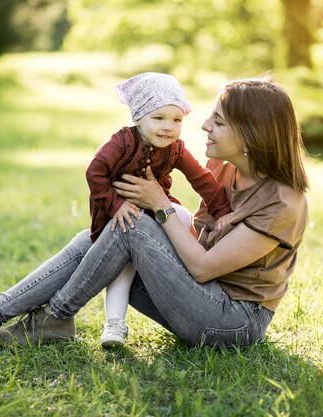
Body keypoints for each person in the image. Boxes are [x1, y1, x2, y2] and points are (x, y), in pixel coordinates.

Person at [0, 74, 309, 350]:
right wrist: (154, 214)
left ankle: (48, 319)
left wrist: (159, 206)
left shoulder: (282, 204)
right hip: (200, 294)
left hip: (232, 320)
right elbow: (194, 237)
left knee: (130, 224)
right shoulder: (226, 169)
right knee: (102, 234)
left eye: (219, 121)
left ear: (252, 134)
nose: (204, 125)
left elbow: (204, 267)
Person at [86, 72, 231, 348]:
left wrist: (221, 209)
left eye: (176, 120)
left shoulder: (175, 149)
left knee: (183, 215)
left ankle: (179, 266)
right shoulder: (121, 143)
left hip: (154, 209)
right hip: (117, 214)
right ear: (138, 117)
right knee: (123, 268)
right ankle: (114, 324)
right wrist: (116, 204)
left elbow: (201, 178)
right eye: (159, 118)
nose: (168, 127)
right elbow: (95, 173)